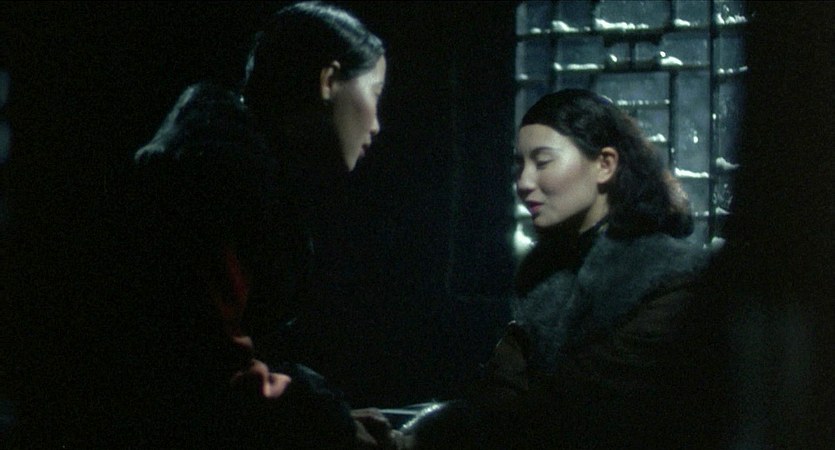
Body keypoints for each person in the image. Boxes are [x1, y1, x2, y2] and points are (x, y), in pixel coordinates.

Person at [3, 1, 402, 448]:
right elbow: (209, 373)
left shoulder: (235, 170)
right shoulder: (216, 182)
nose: (377, 124)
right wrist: (328, 422)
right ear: (328, 81)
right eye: (375, 91)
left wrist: (329, 415)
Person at [403, 89, 725, 449]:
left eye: (542, 162)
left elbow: (582, 402)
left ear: (605, 164)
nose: (524, 182)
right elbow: (499, 393)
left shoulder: (674, 277)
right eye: (519, 165)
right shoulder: (543, 274)